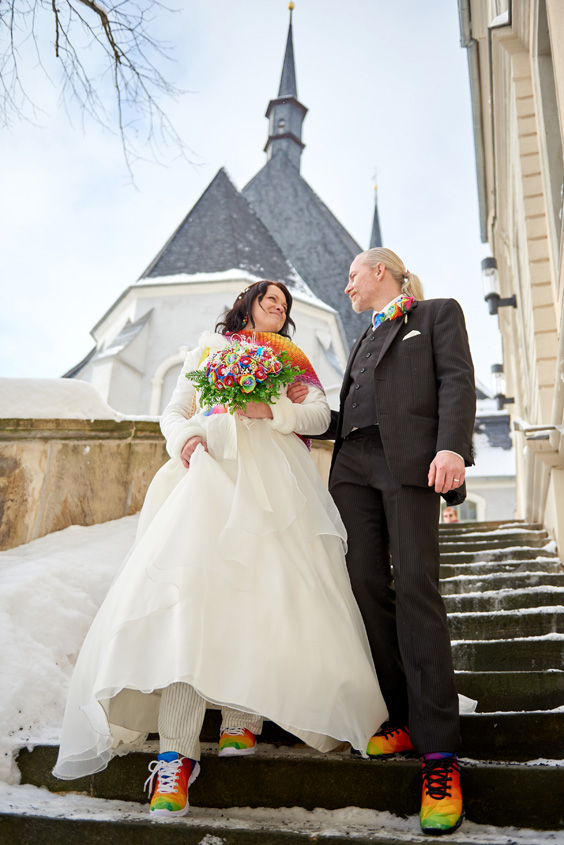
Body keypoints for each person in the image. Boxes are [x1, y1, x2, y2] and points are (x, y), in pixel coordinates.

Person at [53, 280, 387, 817]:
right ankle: (175, 756)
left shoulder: (293, 358)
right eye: (269, 299)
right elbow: (177, 409)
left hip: (279, 488)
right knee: (190, 600)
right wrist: (185, 439)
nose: (277, 308)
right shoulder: (208, 351)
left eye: (285, 304)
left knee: (263, 595)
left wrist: (269, 412)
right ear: (248, 303)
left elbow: (320, 416)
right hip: (211, 475)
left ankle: (242, 721)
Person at [289, 248, 475, 836]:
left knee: (416, 590)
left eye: (350, 276)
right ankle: (401, 716)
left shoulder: (437, 314)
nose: (345, 287)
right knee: (366, 587)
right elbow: (353, 412)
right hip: (353, 467)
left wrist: (453, 448)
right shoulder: (361, 339)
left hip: (411, 465)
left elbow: (456, 381)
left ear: (380, 272)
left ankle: (440, 758)